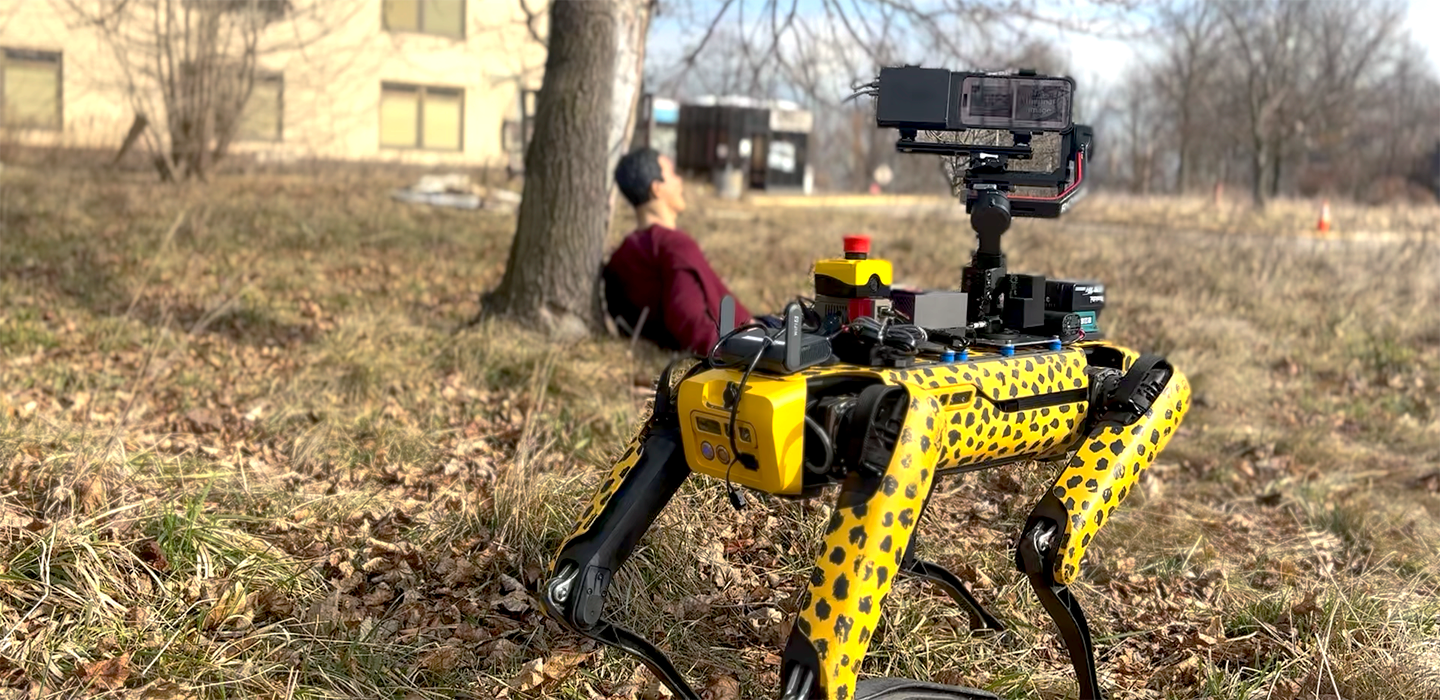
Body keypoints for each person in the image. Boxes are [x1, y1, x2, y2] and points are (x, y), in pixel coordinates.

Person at [604, 147, 761, 355]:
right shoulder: (674, 244)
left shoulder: (622, 256)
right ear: (657, 189)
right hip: (744, 345)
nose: (680, 182)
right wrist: (740, 353)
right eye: (672, 174)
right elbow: (687, 317)